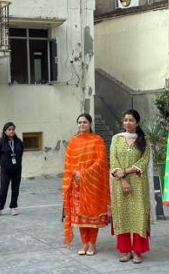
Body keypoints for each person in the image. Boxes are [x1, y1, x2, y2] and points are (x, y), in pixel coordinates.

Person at [62, 113, 110, 255]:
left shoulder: (97, 140)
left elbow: (101, 161)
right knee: (81, 217)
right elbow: (68, 163)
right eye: (79, 122)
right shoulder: (73, 142)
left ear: (90, 124)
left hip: (93, 183)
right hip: (77, 185)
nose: (81, 125)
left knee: (92, 216)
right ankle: (84, 244)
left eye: (84, 122)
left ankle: (92, 244)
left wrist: (84, 173)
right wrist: (74, 175)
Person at [110, 109, 151, 264]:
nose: (128, 123)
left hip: (138, 184)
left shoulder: (144, 140)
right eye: (125, 120)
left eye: (131, 120)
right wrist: (123, 179)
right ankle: (126, 251)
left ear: (137, 123)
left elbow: (143, 162)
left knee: (139, 216)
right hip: (120, 184)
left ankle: (138, 251)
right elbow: (113, 160)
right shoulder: (116, 139)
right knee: (123, 214)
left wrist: (125, 172)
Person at [0, 122, 23, 217]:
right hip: (5, 170)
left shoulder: (19, 142)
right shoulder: (0, 143)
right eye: (9, 129)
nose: (11, 131)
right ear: (5, 131)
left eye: (13, 129)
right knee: (3, 189)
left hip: (17, 169)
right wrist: (4, 163)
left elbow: (20, 153)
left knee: (15, 189)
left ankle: (13, 207)